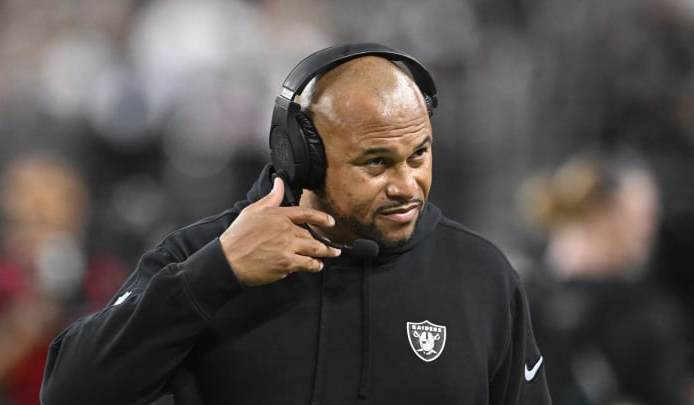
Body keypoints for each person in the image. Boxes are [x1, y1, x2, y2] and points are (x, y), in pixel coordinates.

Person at [40, 43, 551, 405]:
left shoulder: (481, 274)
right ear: (301, 158)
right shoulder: (206, 257)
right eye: (375, 163)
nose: (406, 184)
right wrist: (215, 275)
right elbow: (69, 392)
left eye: (419, 154)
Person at [518, 150, 689, 405]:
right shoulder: (521, 298)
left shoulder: (519, 294)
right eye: (643, 217)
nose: (651, 231)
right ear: (604, 215)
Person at [0, 152, 128, 405]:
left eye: (45, 222)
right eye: (17, 222)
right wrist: (17, 332)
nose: (31, 236)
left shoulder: (105, 281)